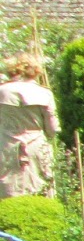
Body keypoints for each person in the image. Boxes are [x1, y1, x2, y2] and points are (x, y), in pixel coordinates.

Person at [0, 50, 59, 199]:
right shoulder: (44, 93)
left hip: (7, 145)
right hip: (36, 146)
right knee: (40, 189)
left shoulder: (2, 91)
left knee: (7, 190)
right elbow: (52, 130)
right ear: (35, 70)